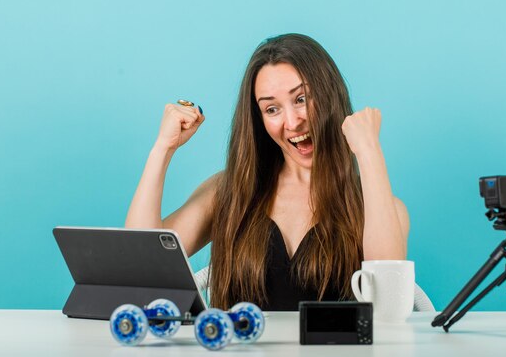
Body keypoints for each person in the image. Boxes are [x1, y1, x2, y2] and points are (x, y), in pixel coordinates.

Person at [125, 33, 409, 310]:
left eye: (301, 99)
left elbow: (388, 300)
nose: (292, 122)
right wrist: (163, 149)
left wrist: (370, 152)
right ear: (259, 119)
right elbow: (140, 263)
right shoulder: (229, 191)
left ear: (330, 95)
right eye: (272, 109)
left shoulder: (377, 206)